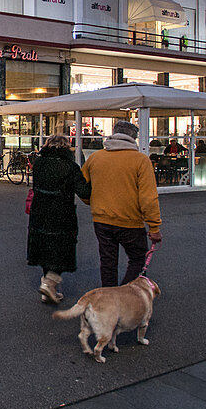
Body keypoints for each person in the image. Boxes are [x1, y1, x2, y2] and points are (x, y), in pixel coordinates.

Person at [80, 120, 162, 287]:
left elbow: (82, 187)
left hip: (101, 220)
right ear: (133, 138)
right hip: (130, 221)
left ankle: (109, 298)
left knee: (108, 262)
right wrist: (154, 227)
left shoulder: (95, 158)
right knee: (138, 258)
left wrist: (92, 201)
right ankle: (126, 294)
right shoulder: (141, 160)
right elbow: (148, 197)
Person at [28, 134, 91, 304]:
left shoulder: (39, 164)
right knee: (62, 250)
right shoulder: (70, 166)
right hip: (61, 213)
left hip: (39, 212)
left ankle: (48, 289)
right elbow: (84, 192)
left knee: (45, 248)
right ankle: (50, 283)